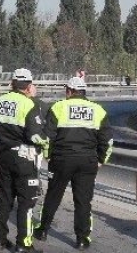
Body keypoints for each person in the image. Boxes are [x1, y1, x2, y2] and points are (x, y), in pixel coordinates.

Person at [33, 77, 113, 250]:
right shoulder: (98, 110)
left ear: (69, 91)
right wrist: (101, 160)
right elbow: (106, 140)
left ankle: (43, 231)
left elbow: (48, 138)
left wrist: (48, 156)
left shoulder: (58, 107)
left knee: (53, 196)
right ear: (84, 92)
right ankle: (82, 239)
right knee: (83, 201)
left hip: (61, 160)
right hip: (87, 161)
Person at [0, 68, 48, 253]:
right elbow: (36, 136)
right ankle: (23, 244)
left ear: (11, 83)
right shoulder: (29, 105)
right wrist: (46, 144)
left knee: (5, 198)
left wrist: (2, 136)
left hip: (4, 156)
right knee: (26, 201)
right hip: (24, 158)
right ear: (29, 86)